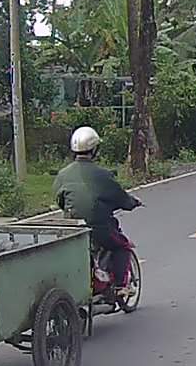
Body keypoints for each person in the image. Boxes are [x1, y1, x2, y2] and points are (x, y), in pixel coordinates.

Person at [53, 127, 141, 298]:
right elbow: (120, 197)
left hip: (73, 228)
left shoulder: (63, 174)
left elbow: (59, 199)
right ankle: (121, 286)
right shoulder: (102, 175)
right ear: (94, 149)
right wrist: (132, 203)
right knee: (122, 245)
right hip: (99, 227)